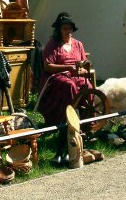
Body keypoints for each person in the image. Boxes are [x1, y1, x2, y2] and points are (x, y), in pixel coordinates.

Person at [37, 12, 93, 163]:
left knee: (88, 86)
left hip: (75, 76)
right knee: (69, 86)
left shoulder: (78, 44)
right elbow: (47, 66)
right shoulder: (52, 44)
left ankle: (87, 126)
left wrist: (83, 70)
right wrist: (68, 67)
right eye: (64, 29)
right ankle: (70, 119)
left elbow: (84, 64)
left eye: (70, 29)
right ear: (59, 30)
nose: (67, 32)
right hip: (56, 78)